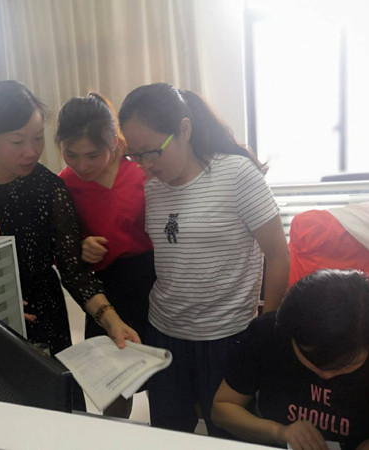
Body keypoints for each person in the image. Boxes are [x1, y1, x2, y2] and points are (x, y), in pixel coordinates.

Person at [117, 82, 290, 436]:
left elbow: (278, 254)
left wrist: (267, 330)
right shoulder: (152, 185)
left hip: (226, 337)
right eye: (135, 155)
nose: (145, 166)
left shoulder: (237, 175)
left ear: (184, 129)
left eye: (152, 152)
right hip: (164, 334)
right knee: (169, 433)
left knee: (228, 436)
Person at [0, 80, 139, 361]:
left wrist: (111, 320)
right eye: (18, 142)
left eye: (38, 138)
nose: (32, 151)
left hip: (41, 311)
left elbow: (74, 272)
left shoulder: (49, 188)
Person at [212, 269, 369, 450]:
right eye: (311, 358)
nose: (325, 375)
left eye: (344, 364)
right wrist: (279, 432)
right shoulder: (269, 332)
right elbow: (220, 411)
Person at [56, 93, 156, 418]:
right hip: (104, 289)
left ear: (114, 142)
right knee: (115, 382)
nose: (82, 165)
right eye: (71, 154)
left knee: (161, 374)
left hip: (154, 282)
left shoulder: (141, 172)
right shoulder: (65, 184)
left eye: (92, 155)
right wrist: (81, 247)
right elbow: (63, 249)